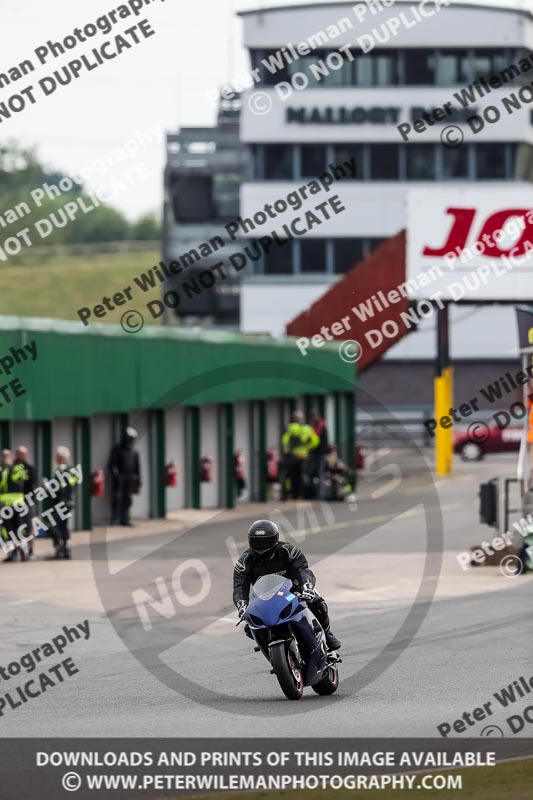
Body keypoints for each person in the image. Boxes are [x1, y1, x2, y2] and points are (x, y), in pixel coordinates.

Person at [233, 519, 341, 651]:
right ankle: (271, 651)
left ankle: (327, 634)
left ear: (275, 539)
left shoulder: (288, 551)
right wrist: (242, 605)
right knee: (250, 626)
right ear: (250, 541)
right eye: (257, 541)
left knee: (318, 604)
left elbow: (303, 570)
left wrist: (307, 587)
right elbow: (239, 586)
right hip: (264, 599)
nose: (261, 546)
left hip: (293, 593)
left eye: (265, 541)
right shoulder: (244, 562)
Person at [48, 446, 79, 560]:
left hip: (61, 502)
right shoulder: (72, 470)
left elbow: (61, 487)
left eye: (56, 455)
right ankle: (66, 547)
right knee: (63, 526)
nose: (55, 457)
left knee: (54, 525)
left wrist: (49, 487)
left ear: (61, 457)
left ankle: (59, 547)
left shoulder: (62, 470)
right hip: (67, 502)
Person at [280, 411, 319, 500]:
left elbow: (285, 441)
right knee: (303, 475)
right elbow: (316, 441)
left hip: (293, 457)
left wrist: (286, 452)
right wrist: (308, 447)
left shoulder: (291, 427)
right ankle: (302, 494)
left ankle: (293, 494)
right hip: (304, 456)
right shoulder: (308, 428)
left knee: (292, 476)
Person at [1, 448, 30, 562]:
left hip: (14, 504)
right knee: (9, 530)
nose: (4, 459)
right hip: (8, 504)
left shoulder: (15, 469)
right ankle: (13, 553)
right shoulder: (7, 469)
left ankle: (23, 552)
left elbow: (23, 480)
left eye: (6, 457)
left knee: (17, 529)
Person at [108, 427, 141, 527]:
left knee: (127, 499)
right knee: (117, 498)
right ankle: (115, 518)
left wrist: (137, 480)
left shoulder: (134, 452)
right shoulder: (117, 450)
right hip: (119, 479)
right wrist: (117, 476)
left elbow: (137, 468)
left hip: (129, 479)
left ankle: (125, 519)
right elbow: (111, 465)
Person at [14, 446, 35, 558]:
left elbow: (31, 483)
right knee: (15, 528)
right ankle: (17, 551)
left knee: (28, 527)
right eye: (20, 454)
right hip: (14, 502)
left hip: (27, 501)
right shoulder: (12, 467)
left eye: (24, 454)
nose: (22, 456)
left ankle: (30, 550)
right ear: (16, 454)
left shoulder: (29, 468)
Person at [309, 409, 329, 500]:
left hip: (320, 454)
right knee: (313, 474)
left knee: (320, 474)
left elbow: (324, 442)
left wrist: (322, 452)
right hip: (314, 454)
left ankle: (320, 494)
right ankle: (314, 492)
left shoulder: (322, 427)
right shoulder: (312, 427)